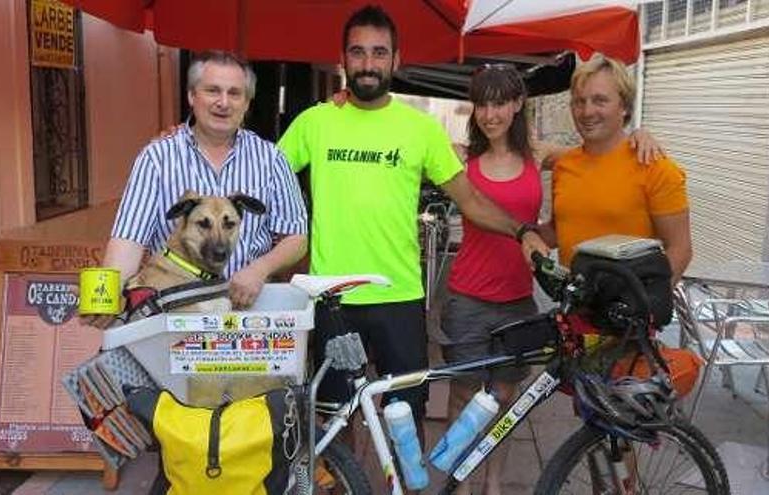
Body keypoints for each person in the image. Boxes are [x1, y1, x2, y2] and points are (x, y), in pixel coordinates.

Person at [277, 5, 548, 438]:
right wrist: (195, 139)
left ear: (396, 60)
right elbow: (263, 172)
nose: (368, 64)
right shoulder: (315, 122)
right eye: (358, 52)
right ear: (343, 58)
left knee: (407, 417)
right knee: (334, 419)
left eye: (379, 53)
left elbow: (470, 200)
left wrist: (522, 231)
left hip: (399, 297)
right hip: (333, 299)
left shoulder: (419, 129)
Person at [101, 51, 308, 312]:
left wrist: (259, 269)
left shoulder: (272, 159)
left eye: (234, 93)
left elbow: (296, 237)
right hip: (176, 315)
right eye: (212, 90)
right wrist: (104, 304)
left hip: (248, 313)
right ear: (192, 96)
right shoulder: (157, 158)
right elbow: (127, 242)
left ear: (246, 102)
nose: (223, 102)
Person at [438, 64, 544, 495]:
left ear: (518, 104)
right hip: (468, 296)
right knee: (465, 396)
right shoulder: (461, 157)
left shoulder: (539, 154)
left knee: (503, 398)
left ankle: (494, 483)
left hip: (518, 297)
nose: (490, 113)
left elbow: (598, 150)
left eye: (499, 102)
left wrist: (638, 135)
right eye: (482, 103)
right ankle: (461, 483)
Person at [538, 53, 691, 282]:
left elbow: (680, 249)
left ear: (624, 107)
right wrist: (513, 228)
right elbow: (558, 233)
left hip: (628, 311)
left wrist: (645, 304)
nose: (587, 112)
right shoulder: (565, 166)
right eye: (580, 101)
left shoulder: (655, 167)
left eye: (600, 100)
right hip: (573, 309)